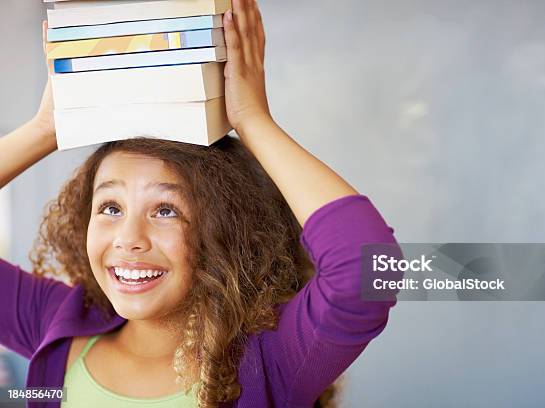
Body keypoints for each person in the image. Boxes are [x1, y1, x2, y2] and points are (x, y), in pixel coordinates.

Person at [0, 0, 398, 406]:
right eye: (111, 208)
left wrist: (253, 120)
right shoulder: (58, 329)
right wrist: (45, 129)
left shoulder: (270, 361)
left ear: (226, 231)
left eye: (166, 210)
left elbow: (367, 268)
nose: (128, 239)